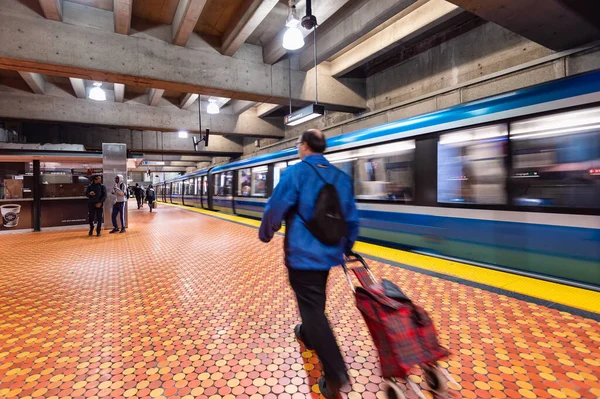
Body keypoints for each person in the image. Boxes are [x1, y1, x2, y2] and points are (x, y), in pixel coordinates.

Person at [259, 129, 359, 399]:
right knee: (315, 299)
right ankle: (308, 334)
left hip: (302, 254)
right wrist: (346, 246)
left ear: (304, 146)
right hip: (327, 255)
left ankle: (336, 372)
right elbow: (351, 219)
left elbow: (275, 207)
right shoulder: (342, 178)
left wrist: (266, 233)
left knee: (312, 307)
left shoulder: (295, 173)